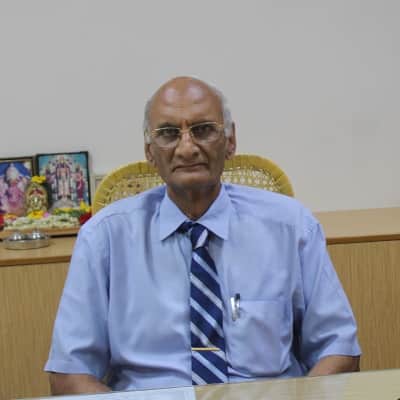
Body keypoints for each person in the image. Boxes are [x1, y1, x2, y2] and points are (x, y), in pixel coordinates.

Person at [45, 77, 361, 394]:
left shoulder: (291, 226)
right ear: (150, 152)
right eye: (168, 134)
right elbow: (69, 373)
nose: (187, 148)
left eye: (203, 130)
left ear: (230, 140)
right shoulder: (104, 238)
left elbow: (340, 348)